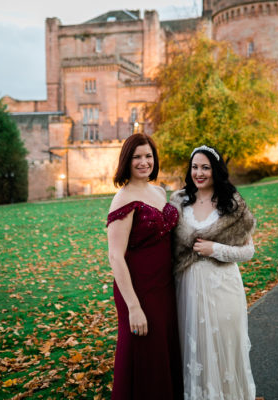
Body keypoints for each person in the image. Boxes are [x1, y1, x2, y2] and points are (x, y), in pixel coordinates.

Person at [170, 145, 257, 400]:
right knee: (193, 349)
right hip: (187, 288)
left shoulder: (231, 203)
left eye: (205, 167)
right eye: (195, 167)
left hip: (223, 289)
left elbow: (248, 251)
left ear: (215, 170)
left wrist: (214, 248)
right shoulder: (179, 202)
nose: (199, 173)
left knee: (222, 349)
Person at [106, 134, 183, 399]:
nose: (143, 162)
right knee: (145, 353)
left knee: (165, 348)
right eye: (137, 156)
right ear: (127, 160)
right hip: (138, 288)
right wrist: (134, 307)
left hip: (165, 285)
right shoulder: (122, 200)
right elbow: (115, 256)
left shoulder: (159, 191)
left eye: (148, 156)